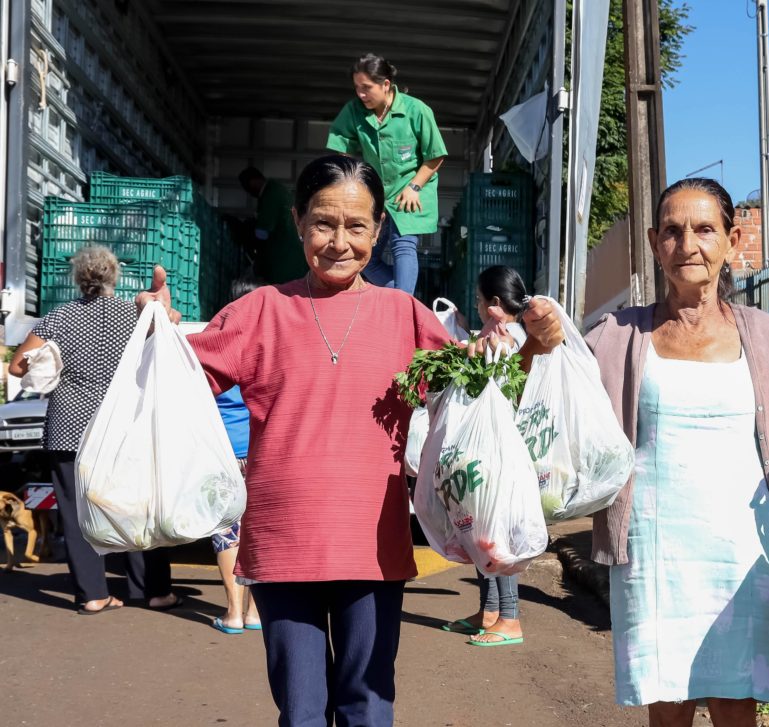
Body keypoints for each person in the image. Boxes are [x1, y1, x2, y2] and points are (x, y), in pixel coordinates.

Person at [136, 155, 562, 726]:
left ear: (379, 229)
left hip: (374, 547)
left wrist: (534, 346)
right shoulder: (260, 310)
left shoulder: (404, 315)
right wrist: (154, 331)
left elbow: (482, 397)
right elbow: (176, 386)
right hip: (284, 547)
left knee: (368, 703)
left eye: (356, 226)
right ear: (297, 222)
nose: (339, 242)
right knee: (302, 710)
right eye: (323, 223)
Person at [570, 178, 769, 727]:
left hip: (744, 550)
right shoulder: (618, 334)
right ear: (654, 241)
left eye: (704, 229)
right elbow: (555, 378)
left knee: (739, 698)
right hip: (654, 547)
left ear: (732, 239)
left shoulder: (767, 334)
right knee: (667, 695)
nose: (687, 243)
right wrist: (532, 343)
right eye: (671, 231)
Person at [9, 246, 178, 615]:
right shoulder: (133, 315)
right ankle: (151, 590)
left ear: (79, 278)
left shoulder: (59, 316)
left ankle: (93, 594)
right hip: (120, 425)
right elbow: (168, 341)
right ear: (114, 276)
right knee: (137, 506)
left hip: (68, 426)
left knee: (74, 510)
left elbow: (18, 367)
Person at [441, 266, 528, 647]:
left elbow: (499, 380)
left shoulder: (514, 339)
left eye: (478, 301)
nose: (475, 307)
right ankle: (489, 610)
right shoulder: (494, 335)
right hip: (486, 451)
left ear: (494, 305)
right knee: (479, 532)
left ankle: (510, 617)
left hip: (503, 453)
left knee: (497, 536)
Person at [326, 53, 447, 295]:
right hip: (378, 192)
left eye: (366, 88)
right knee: (366, 257)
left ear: (385, 85)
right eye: (357, 88)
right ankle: (402, 298)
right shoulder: (354, 111)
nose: (361, 94)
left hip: (411, 189)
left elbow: (435, 155)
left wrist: (414, 187)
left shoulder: (416, 111)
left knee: (403, 245)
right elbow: (340, 149)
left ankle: (402, 303)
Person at [210, 275, 262, 635]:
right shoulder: (271, 339)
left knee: (227, 531)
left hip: (223, 451)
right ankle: (257, 613)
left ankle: (232, 612)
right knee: (260, 531)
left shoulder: (219, 341)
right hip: (263, 450)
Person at [238, 167, 308, 284]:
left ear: (253, 182)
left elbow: (262, 233)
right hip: (293, 257)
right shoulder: (277, 190)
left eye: (247, 186)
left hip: (284, 260)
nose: (248, 192)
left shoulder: (271, 194)